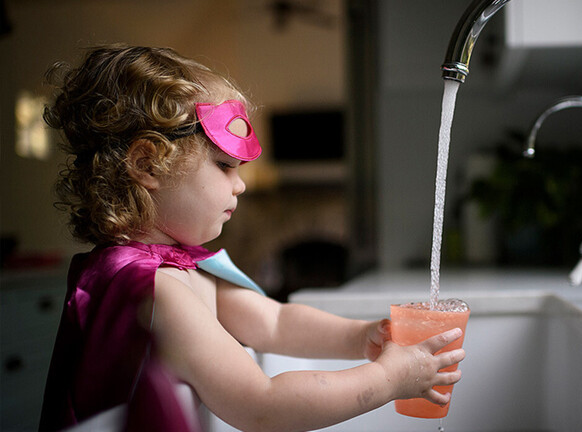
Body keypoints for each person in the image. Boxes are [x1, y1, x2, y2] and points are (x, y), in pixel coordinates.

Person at [39, 44, 465, 432]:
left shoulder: (180, 267)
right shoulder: (153, 289)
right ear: (149, 165)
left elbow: (275, 322)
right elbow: (262, 406)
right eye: (225, 166)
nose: (240, 185)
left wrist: (362, 337)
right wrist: (388, 379)